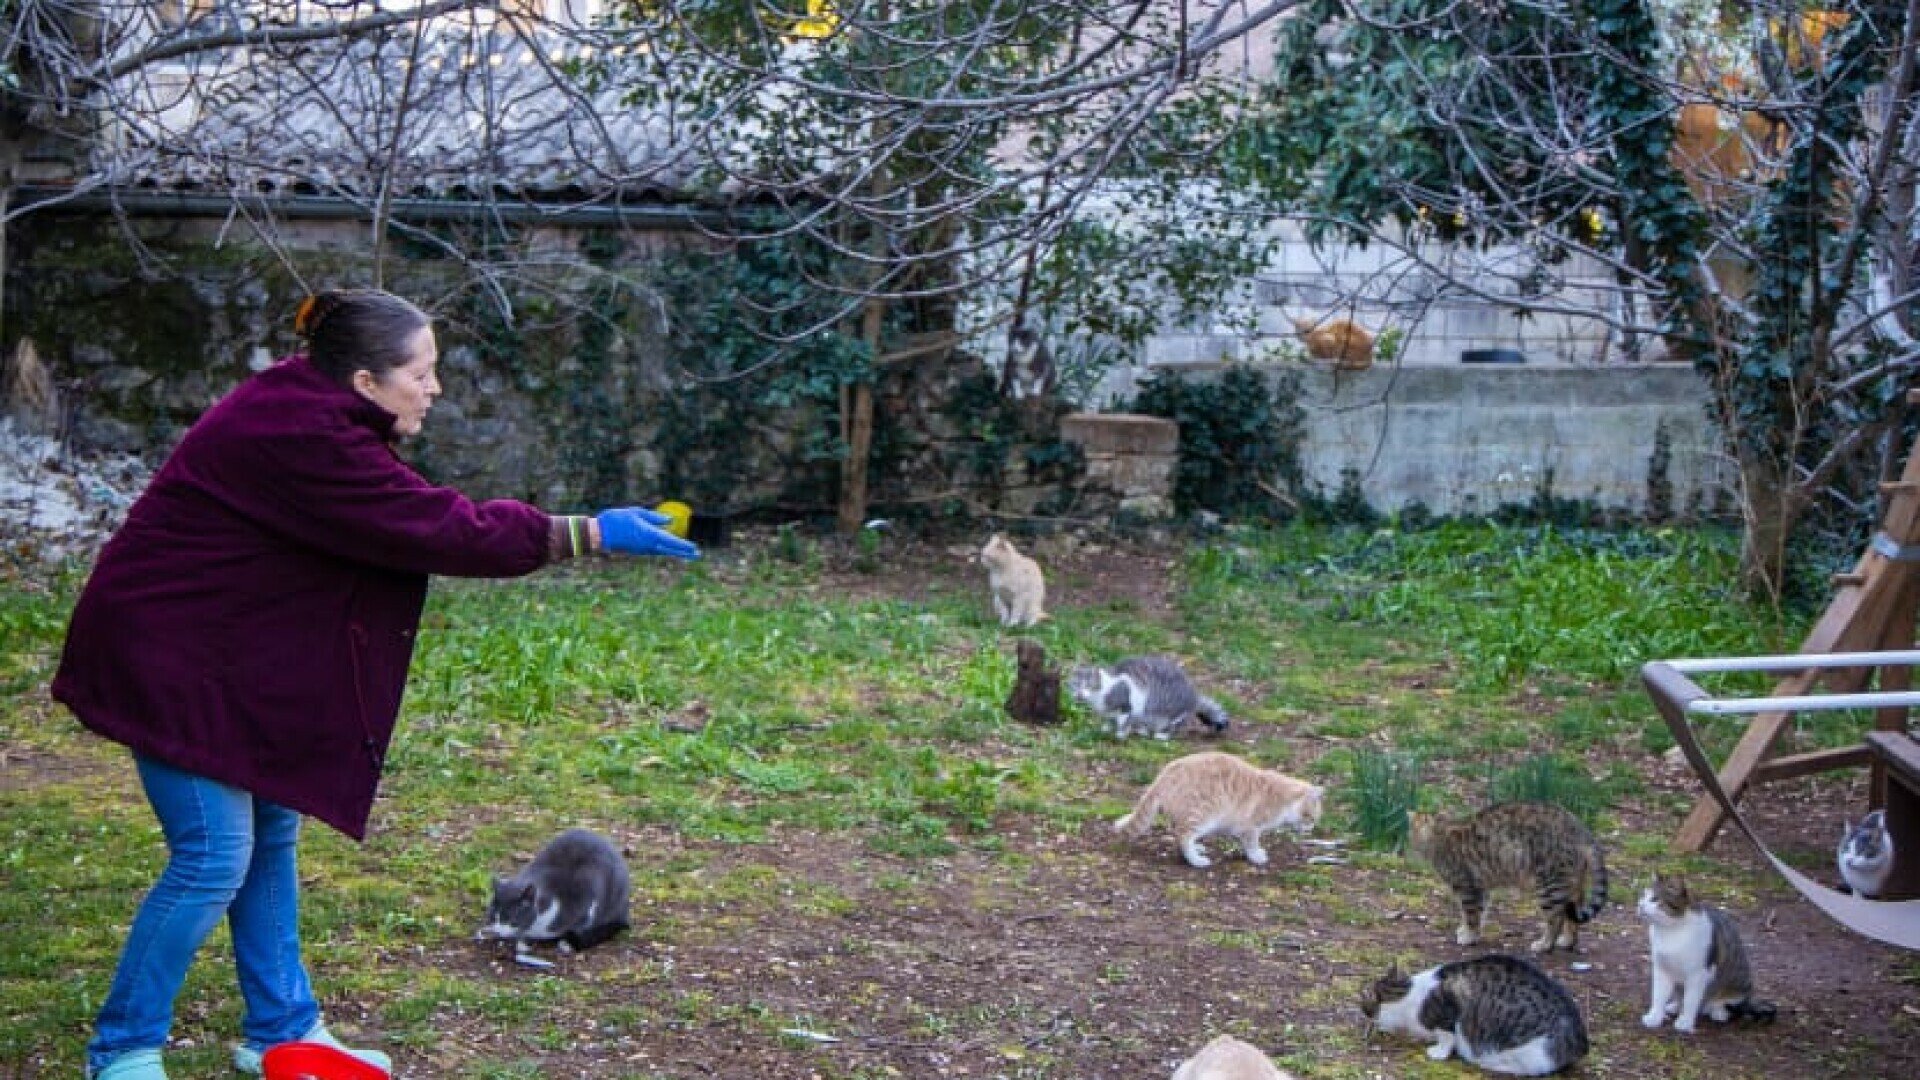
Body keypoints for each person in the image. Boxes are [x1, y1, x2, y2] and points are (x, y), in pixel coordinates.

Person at [51, 288, 698, 1080]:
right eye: (420, 374)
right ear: (364, 381)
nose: (434, 389)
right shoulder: (304, 437)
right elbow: (437, 526)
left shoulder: (311, 406)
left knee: (269, 837)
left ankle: (283, 1032)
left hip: (227, 659)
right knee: (215, 855)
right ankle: (121, 1048)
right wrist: (589, 531)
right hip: (166, 658)